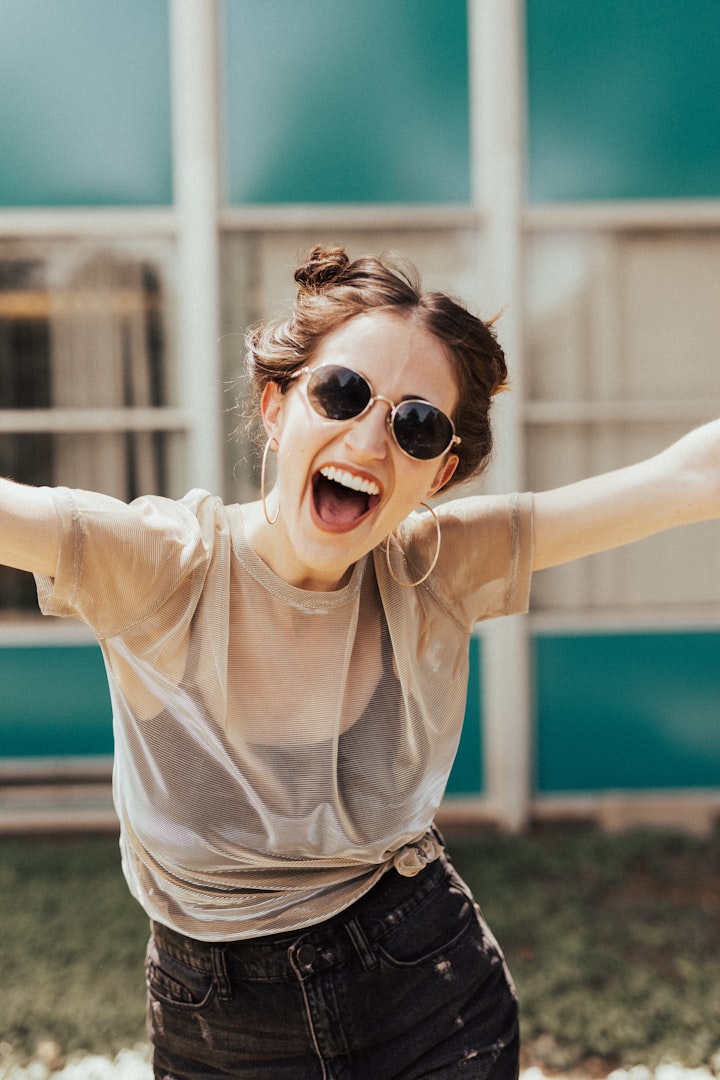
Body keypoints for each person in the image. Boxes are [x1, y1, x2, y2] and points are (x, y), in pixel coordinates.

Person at [1, 245, 719, 1079]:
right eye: (341, 393)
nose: (371, 437)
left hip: (428, 991)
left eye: (417, 424)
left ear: (440, 471)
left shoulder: (437, 566)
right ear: (276, 408)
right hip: (218, 1022)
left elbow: (686, 477)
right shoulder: (167, 567)